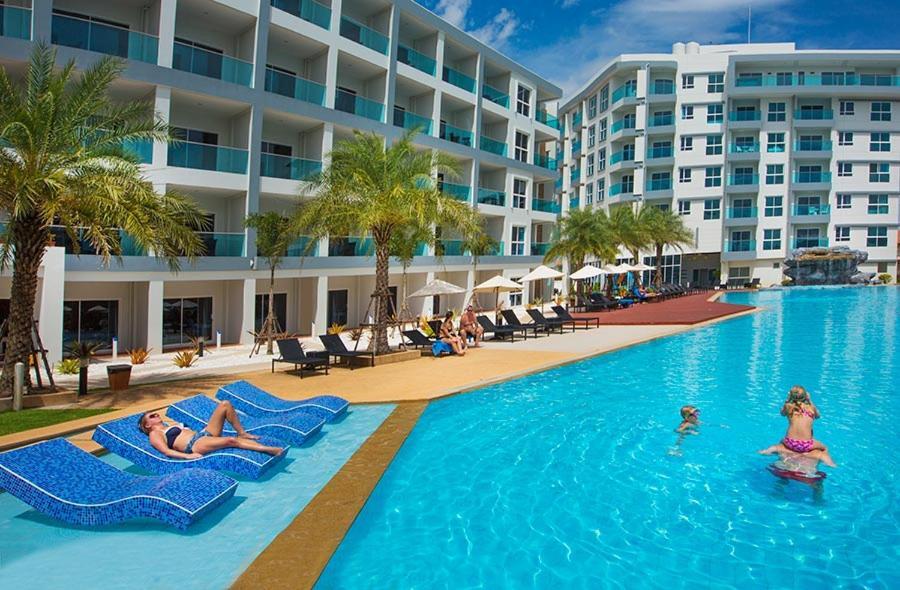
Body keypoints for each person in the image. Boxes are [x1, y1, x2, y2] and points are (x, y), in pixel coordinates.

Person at [138, 400, 284, 459]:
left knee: (225, 405)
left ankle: (242, 432)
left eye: (155, 413)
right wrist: (188, 456)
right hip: (194, 445)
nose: (156, 414)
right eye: (152, 416)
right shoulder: (155, 433)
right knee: (230, 440)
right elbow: (166, 451)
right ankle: (269, 450)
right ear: (147, 425)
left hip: (203, 435)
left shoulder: (168, 426)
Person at [758, 385, 837, 467]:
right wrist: (810, 400)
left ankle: (774, 453)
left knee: (781, 441)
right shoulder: (810, 408)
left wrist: (787, 399)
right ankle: (827, 461)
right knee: (824, 448)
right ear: (805, 396)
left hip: (790, 442)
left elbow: (782, 413)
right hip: (806, 445)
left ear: (791, 396)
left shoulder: (788, 407)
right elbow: (818, 416)